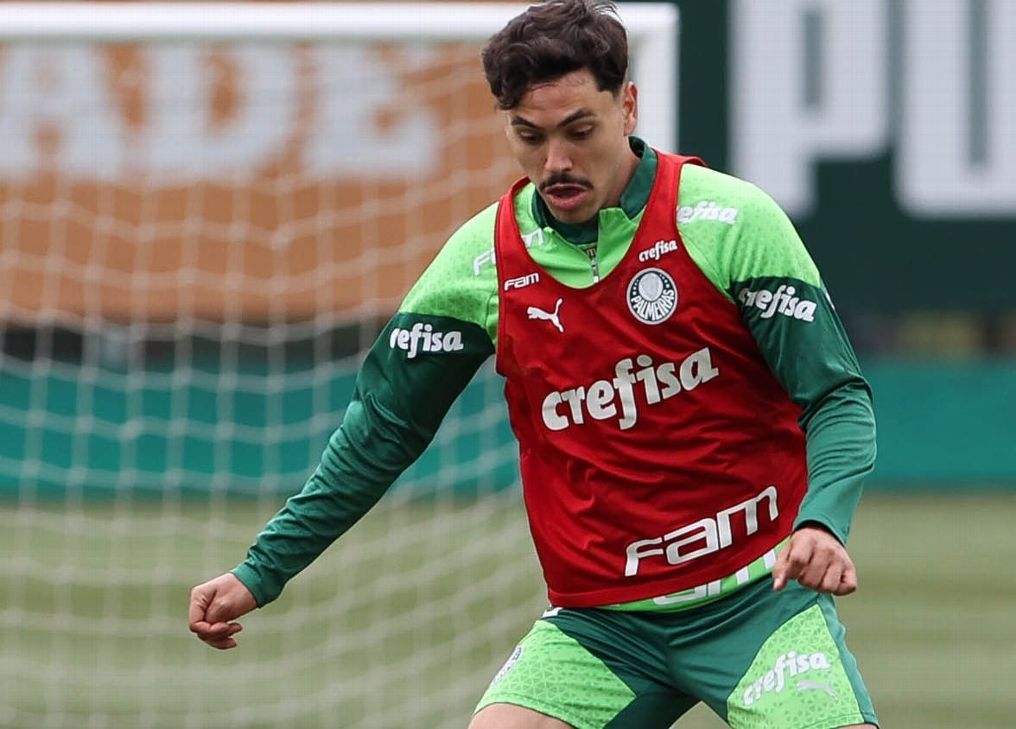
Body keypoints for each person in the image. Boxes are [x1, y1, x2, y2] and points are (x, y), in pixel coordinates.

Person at [188, 1, 879, 726]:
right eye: (530, 135)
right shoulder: (481, 262)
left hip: (759, 601)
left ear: (628, 107)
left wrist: (823, 522)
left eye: (579, 131)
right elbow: (382, 429)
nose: (557, 162)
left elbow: (836, 395)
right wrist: (262, 569)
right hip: (602, 627)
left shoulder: (731, 222)